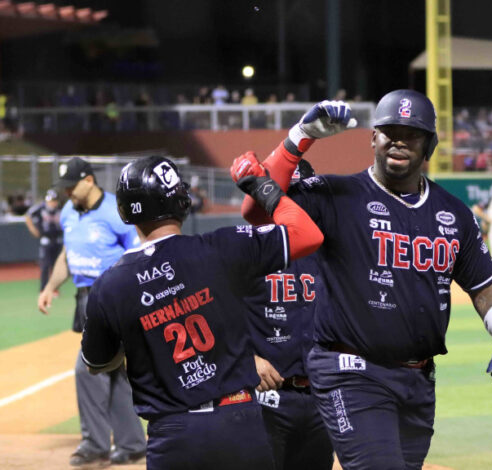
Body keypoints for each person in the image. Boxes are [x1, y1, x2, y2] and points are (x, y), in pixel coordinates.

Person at [233, 90, 492, 470]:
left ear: (430, 145)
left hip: (418, 380)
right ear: (373, 138)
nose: (398, 140)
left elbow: (485, 284)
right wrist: (299, 137)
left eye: (412, 133)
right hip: (350, 371)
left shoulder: (453, 215)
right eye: (389, 131)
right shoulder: (334, 195)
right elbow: (256, 212)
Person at [80, 156, 323, 470]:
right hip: (240, 421)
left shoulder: (109, 286)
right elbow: (308, 234)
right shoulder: (222, 247)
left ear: (125, 211)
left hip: (173, 435)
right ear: (183, 201)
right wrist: (261, 183)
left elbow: (97, 363)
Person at [36, 157, 147, 467]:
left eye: (71, 185)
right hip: (84, 298)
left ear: (89, 180)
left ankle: (95, 446)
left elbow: (138, 252)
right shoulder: (69, 212)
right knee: (113, 375)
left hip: (112, 299)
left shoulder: (116, 211)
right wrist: (49, 287)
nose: (67, 192)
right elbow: (67, 255)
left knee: (87, 367)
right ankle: (133, 444)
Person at [247, 160, 334, 470]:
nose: (292, 205)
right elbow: (217, 317)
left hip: (322, 398)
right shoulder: (247, 249)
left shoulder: (332, 251)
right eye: (285, 196)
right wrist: (248, 360)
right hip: (265, 399)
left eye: (300, 196)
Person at [25, 188, 63, 291]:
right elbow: (28, 216)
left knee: (57, 266)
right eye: (51, 201)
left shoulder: (60, 208)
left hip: (58, 240)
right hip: (46, 240)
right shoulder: (40, 208)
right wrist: (33, 230)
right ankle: (43, 289)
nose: (53, 203)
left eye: (55, 200)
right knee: (45, 266)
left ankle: (55, 289)